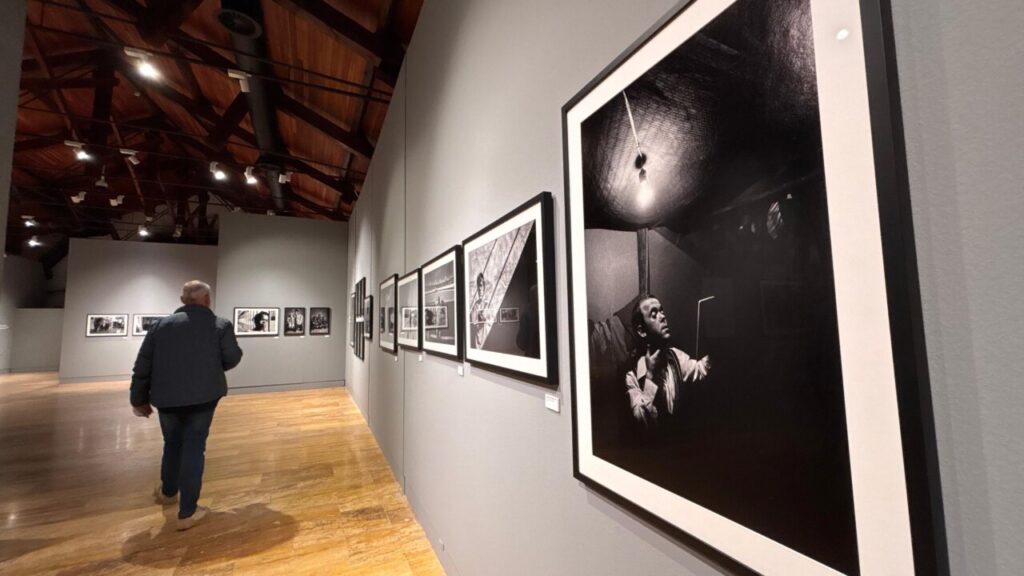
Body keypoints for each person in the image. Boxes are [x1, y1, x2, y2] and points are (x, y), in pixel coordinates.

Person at [130, 280, 243, 531]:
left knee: (172, 443)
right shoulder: (220, 325)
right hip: (204, 397)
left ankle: (169, 491)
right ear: (207, 300)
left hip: (166, 398)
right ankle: (188, 512)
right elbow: (232, 357)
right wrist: (214, 366)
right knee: (194, 446)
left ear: (183, 301)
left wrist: (138, 399)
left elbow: (143, 364)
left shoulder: (161, 326)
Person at [625, 295, 710, 431]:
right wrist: (650, 376)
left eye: (662, 311)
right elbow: (641, 422)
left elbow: (700, 370)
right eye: (654, 314)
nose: (663, 317)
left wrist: (715, 348)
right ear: (641, 331)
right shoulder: (632, 376)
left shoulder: (675, 356)